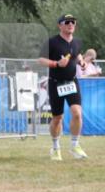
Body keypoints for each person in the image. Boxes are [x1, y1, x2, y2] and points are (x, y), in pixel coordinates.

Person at [38, 14, 88, 160]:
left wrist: (82, 62)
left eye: (73, 22)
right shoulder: (52, 42)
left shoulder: (77, 42)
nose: (71, 24)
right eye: (67, 22)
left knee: (77, 113)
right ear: (60, 25)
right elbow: (40, 59)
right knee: (57, 118)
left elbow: (76, 54)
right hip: (55, 83)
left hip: (72, 82)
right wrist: (55, 64)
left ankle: (75, 146)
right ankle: (55, 147)